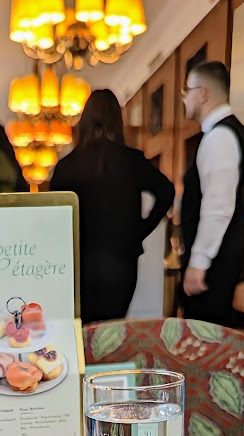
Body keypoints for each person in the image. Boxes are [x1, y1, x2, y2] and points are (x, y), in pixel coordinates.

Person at [50, 89, 174, 325]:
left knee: (83, 330)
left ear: (84, 120)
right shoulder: (132, 160)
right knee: (112, 329)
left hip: (79, 262)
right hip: (121, 261)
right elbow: (167, 191)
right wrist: (140, 229)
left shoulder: (66, 167)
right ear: (117, 120)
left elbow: (55, 221)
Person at [180, 58, 244, 326]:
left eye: (187, 91)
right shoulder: (222, 133)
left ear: (203, 93)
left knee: (205, 340)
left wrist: (199, 261)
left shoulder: (219, 137)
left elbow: (218, 206)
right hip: (218, 260)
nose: (185, 99)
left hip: (214, 265)